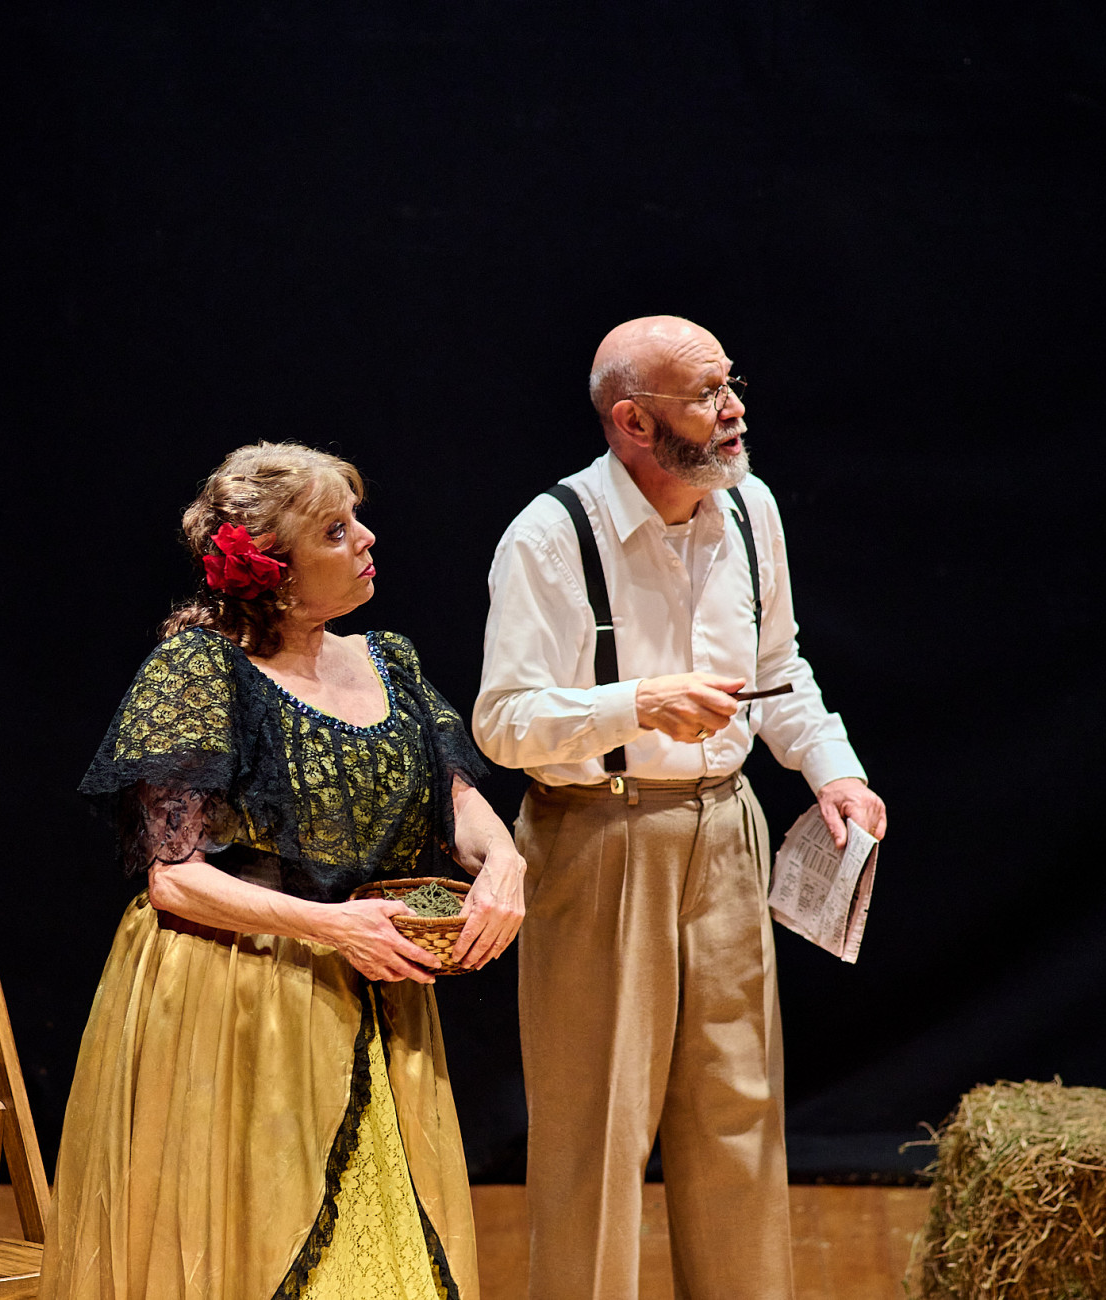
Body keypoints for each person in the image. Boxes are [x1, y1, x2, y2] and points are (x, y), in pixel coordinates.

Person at [43, 441, 525, 1300]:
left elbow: (456, 798)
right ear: (273, 570)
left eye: (356, 518)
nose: (366, 539)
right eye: (335, 531)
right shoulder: (201, 671)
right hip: (236, 991)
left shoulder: (389, 660)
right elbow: (174, 877)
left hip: (371, 982)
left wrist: (504, 863)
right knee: (249, 1246)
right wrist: (333, 926)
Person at [473, 316, 887, 1300]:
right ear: (631, 422)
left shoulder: (748, 508)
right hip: (599, 834)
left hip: (726, 828)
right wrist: (635, 703)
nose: (733, 408)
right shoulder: (550, 536)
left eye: (729, 383)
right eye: (705, 394)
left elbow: (778, 671)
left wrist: (831, 769)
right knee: (596, 1130)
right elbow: (501, 722)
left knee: (737, 1112)